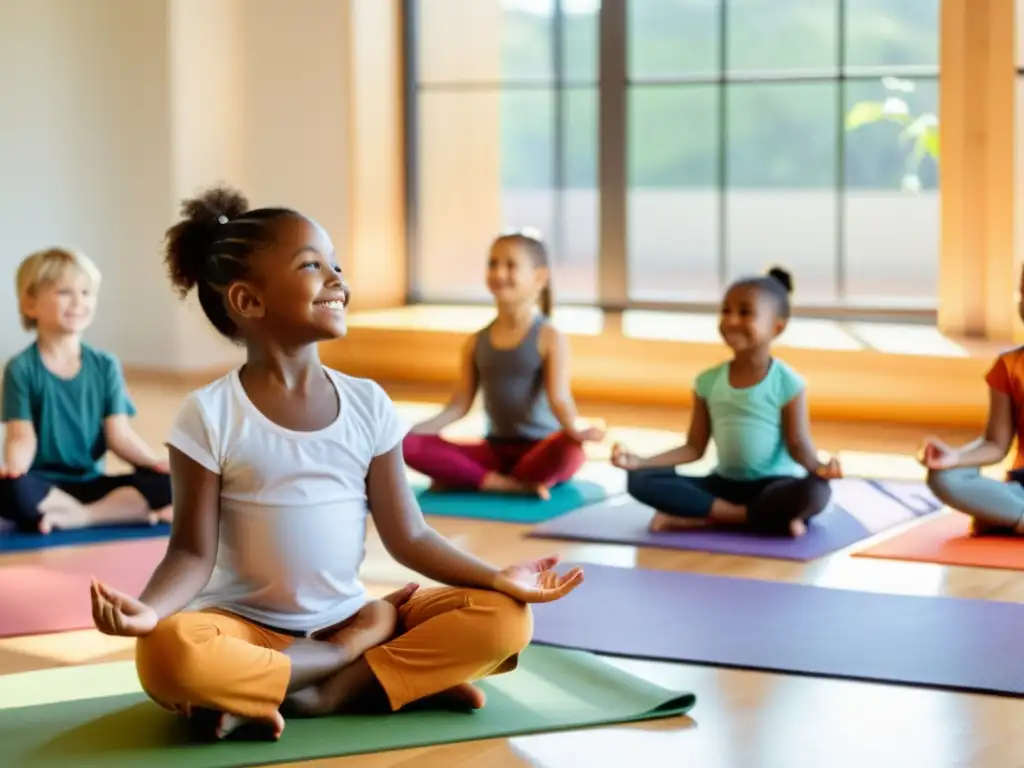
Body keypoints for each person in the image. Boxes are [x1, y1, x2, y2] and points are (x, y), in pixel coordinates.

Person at [88, 187, 584, 742]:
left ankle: (313, 691)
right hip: (247, 629)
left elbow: (410, 536)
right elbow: (190, 553)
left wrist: (496, 577)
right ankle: (356, 668)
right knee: (167, 653)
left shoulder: (368, 402)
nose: (336, 279)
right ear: (249, 301)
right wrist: (148, 611)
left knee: (506, 619)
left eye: (336, 265)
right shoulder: (208, 413)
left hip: (347, 613)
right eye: (311, 265)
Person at [610, 267, 841, 537]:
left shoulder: (789, 383)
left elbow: (798, 444)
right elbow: (694, 447)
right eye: (726, 311)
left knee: (816, 491)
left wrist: (820, 469)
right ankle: (755, 518)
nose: (731, 320)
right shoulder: (707, 381)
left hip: (774, 486)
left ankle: (710, 517)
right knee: (639, 480)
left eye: (745, 313)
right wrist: (641, 462)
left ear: (777, 327)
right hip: (723, 485)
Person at [402, 230, 604, 499]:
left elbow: (560, 399)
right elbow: (458, 406)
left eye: (511, 265)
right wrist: (410, 434)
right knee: (408, 445)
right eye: (493, 264)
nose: (499, 273)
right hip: (494, 451)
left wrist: (576, 428)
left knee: (571, 451)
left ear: (540, 277)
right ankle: (504, 484)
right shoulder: (476, 342)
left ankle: (472, 479)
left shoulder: (549, 337)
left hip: (540, 449)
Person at [0, 248, 172, 534]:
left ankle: (80, 516)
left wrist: (154, 463)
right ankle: (116, 513)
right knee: (9, 489)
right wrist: (13, 469)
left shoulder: (105, 365)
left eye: (86, 292)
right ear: (31, 304)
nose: (79, 302)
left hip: (93, 483)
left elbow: (119, 436)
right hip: (45, 485)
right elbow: (21, 437)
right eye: (64, 292)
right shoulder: (20, 368)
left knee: (174, 482)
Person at [920, 267, 1024, 535]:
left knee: (996, 512)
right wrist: (955, 457)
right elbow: (995, 444)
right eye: (1023, 293)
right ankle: (1012, 515)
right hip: (1022, 487)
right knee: (944, 477)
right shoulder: (1008, 366)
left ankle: (1007, 518)